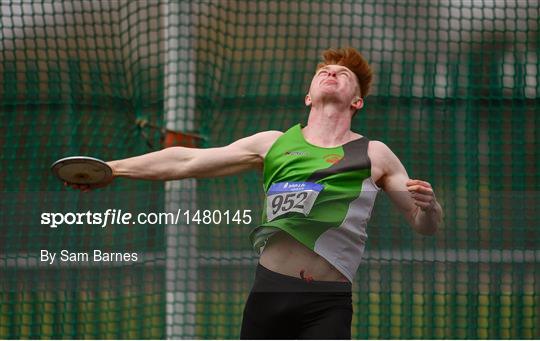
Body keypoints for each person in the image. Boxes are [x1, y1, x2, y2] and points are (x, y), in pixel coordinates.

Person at [69, 47, 443, 339]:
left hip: (327, 302)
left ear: (356, 101)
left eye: (343, 74)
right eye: (323, 72)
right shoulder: (272, 143)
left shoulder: (374, 153)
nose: (331, 73)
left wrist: (430, 208)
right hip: (269, 293)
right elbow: (185, 161)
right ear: (308, 97)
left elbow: (423, 224)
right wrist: (113, 169)